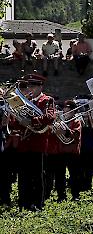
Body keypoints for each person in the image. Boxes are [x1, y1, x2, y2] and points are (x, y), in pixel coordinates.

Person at [7, 74, 55, 211]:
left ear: (41, 86)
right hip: (23, 143)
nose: (30, 89)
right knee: (23, 175)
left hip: (38, 142)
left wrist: (31, 121)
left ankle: (37, 204)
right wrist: (14, 120)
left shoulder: (47, 100)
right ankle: (24, 203)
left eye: (33, 86)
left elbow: (50, 117)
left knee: (37, 175)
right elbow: (16, 121)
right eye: (29, 86)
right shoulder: (24, 100)